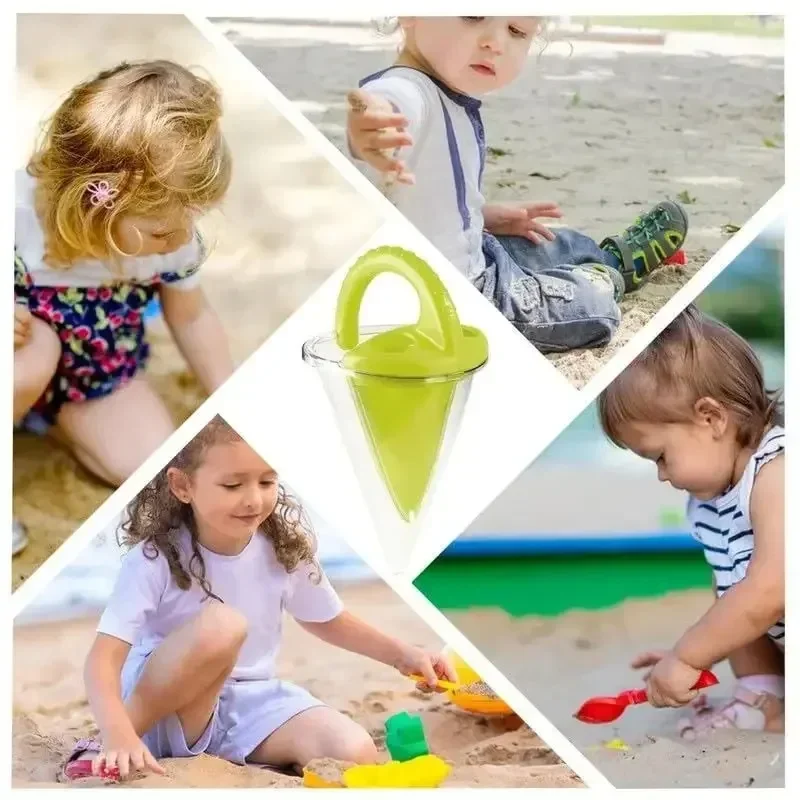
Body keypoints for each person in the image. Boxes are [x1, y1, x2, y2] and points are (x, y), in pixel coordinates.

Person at [66, 416, 456, 780]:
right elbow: (102, 660)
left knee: (354, 751)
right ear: (182, 486)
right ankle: (101, 749)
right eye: (233, 485)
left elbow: (327, 619)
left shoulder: (283, 549)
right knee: (225, 624)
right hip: (161, 709)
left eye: (267, 482)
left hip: (249, 701)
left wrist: (401, 654)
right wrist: (118, 733)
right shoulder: (153, 558)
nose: (253, 500)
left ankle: (235, 752)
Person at [346, 16, 688, 354]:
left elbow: (425, 204)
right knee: (592, 306)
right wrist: (373, 128)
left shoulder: (445, 92)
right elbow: (389, 104)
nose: (495, 42)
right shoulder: (409, 90)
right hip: (454, 302)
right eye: (473, 15)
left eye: (516, 31)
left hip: (478, 253)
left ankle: (612, 259)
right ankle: (608, 278)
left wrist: (482, 215)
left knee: (561, 241)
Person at [13, 59, 235, 555]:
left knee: (155, 470)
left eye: (191, 219)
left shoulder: (170, 238)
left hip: (98, 374)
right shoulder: (17, 216)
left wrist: (229, 396)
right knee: (32, 357)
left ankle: (57, 423)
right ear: (96, 203)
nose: (180, 238)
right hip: (23, 356)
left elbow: (191, 315)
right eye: (160, 229)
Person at [598, 305, 785, 737]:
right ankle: (765, 696)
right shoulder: (713, 499)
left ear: (711, 418)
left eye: (660, 456)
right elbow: (738, 603)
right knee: (731, 590)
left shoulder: (777, 475)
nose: (662, 474)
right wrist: (701, 650)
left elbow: (770, 590)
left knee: (751, 589)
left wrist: (687, 656)